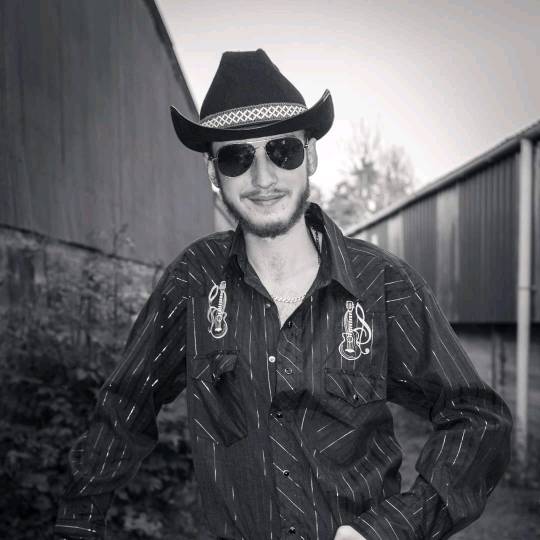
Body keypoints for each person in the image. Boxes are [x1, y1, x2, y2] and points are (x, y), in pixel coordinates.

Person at [54, 49, 513, 540]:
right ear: (213, 174)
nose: (263, 178)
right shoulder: (194, 281)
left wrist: (392, 528)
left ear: (310, 156)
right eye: (236, 157)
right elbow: (124, 405)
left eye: (283, 150)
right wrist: (78, 522)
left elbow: (478, 418)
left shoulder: (382, 283)